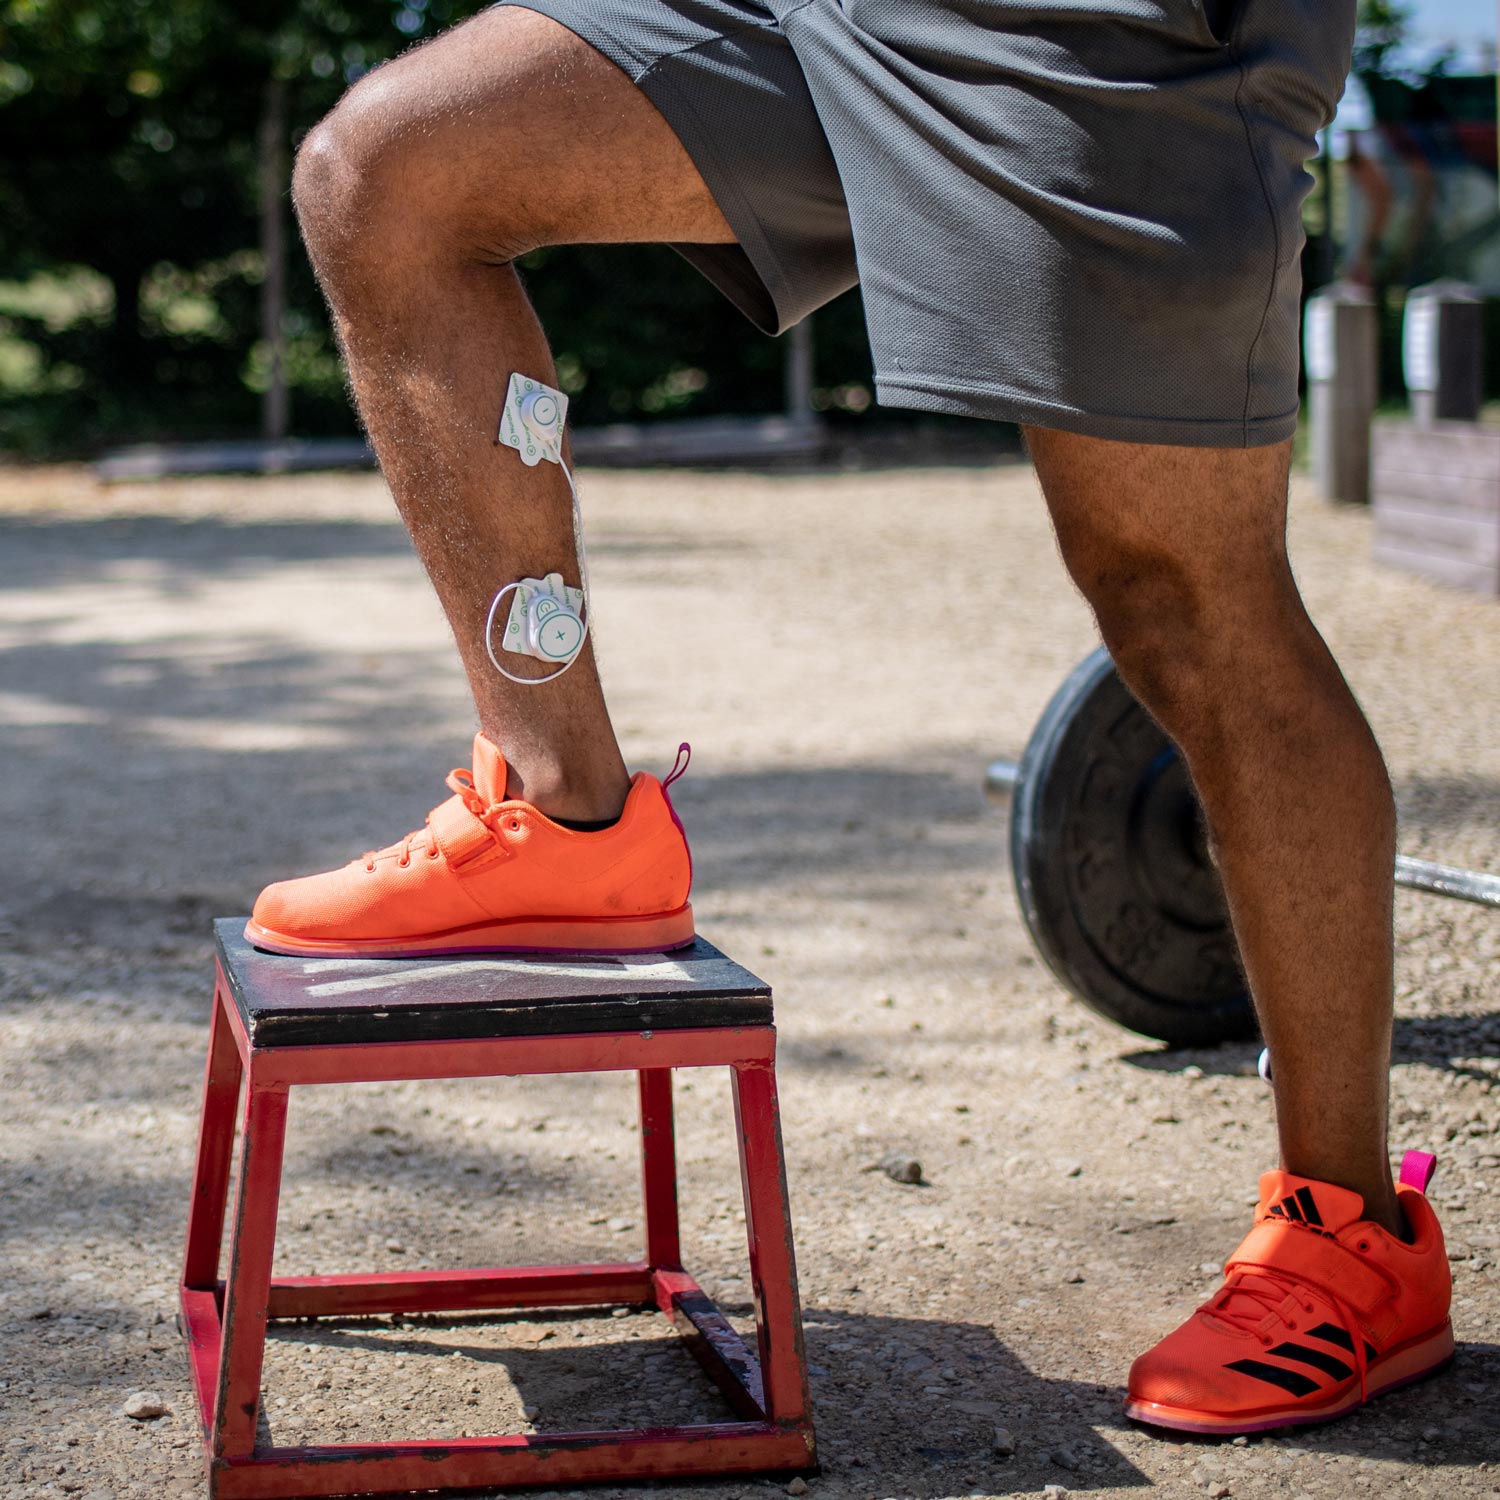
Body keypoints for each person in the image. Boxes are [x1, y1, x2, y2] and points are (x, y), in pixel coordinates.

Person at [249, 0, 1453, 1436]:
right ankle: (569, 818)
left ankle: (1352, 1228)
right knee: (387, 170)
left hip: (1104, 37)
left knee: (1185, 602)